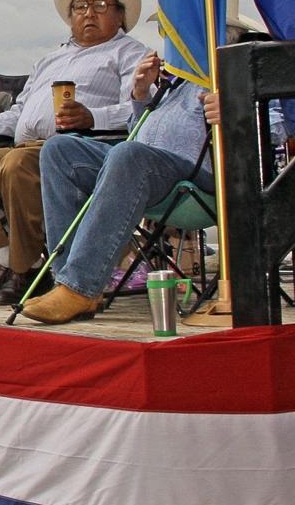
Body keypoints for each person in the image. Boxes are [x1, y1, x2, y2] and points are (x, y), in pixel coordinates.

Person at [21, 17, 278, 324]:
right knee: (59, 149)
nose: (174, 40)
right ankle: (68, 282)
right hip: (145, 169)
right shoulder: (175, 82)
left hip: (198, 179)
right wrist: (141, 96)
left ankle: (80, 286)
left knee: (130, 155)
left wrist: (237, 109)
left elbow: (276, 128)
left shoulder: (239, 74)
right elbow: (139, 132)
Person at [0, 0, 148, 306]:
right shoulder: (52, 58)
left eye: (100, 6)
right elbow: (18, 113)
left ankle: (25, 270)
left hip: (83, 152)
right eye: (80, 7)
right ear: (69, 17)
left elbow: (137, 110)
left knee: (18, 163)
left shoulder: (128, 53)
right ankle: (0, 260)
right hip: (25, 148)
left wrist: (92, 117)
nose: (88, 13)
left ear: (120, 15)